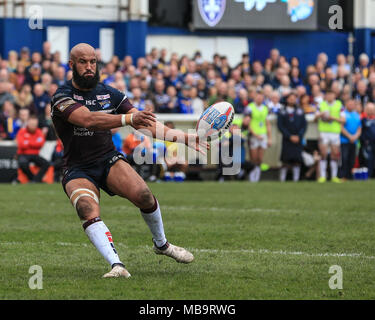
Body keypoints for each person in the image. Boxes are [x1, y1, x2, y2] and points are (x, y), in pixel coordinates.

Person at [51, 43, 207, 278]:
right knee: (86, 207)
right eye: (83, 62)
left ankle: (162, 245)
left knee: (144, 195)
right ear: (71, 65)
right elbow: (88, 120)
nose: (89, 67)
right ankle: (117, 265)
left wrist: (184, 137)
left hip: (107, 160)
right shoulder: (61, 97)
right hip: (77, 167)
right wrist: (128, 118)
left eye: (93, 62)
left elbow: (144, 123)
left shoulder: (110, 93)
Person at [315, 90, 345, 183]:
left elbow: (343, 120)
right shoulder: (321, 105)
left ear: (334, 95)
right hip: (324, 132)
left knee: (335, 154)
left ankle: (334, 176)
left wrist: (333, 118)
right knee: (323, 153)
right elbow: (314, 117)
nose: (329, 96)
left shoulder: (339, 105)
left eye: (331, 94)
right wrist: (320, 115)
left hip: (335, 132)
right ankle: (323, 176)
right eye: (327, 95)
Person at [277, 93, 307, 182]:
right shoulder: (282, 111)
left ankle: (296, 179)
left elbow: (304, 125)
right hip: (287, 139)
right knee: (285, 160)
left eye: (294, 98)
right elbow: (280, 126)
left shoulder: (300, 111)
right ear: (287, 99)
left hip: (298, 139)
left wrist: (299, 136)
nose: (292, 100)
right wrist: (289, 136)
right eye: (290, 98)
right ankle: (282, 179)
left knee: (297, 160)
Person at [243, 90, 271, 182]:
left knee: (260, 158)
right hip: (254, 135)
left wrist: (269, 137)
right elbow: (248, 123)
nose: (260, 98)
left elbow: (267, 123)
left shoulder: (265, 108)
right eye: (258, 97)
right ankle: (252, 178)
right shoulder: (249, 108)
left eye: (261, 97)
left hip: (263, 134)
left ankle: (257, 178)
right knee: (253, 158)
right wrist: (255, 134)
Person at [16, 115, 50, 183]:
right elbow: (21, 145)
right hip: (23, 154)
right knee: (23, 163)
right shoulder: (22, 131)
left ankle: (36, 180)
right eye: (31, 124)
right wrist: (34, 143)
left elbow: (41, 144)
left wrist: (28, 142)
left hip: (35, 154)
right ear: (28, 123)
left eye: (35, 124)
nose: (33, 126)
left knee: (46, 164)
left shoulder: (39, 132)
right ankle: (32, 179)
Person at [339, 99, 362, 180]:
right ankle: (343, 175)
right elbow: (341, 127)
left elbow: (359, 128)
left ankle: (350, 176)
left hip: (354, 141)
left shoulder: (357, 115)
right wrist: (349, 136)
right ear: (346, 104)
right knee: (344, 158)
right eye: (350, 104)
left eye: (353, 104)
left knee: (352, 159)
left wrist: (355, 136)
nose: (351, 105)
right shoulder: (343, 114)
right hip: (344, 140)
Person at [361, 102, 375, 178]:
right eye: (369, 109)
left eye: (372, 109)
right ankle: (369, 175)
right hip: (368, 143)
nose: (371, 111)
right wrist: (364, 140)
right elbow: (361, 131)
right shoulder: (363, 120)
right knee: (369, 159)